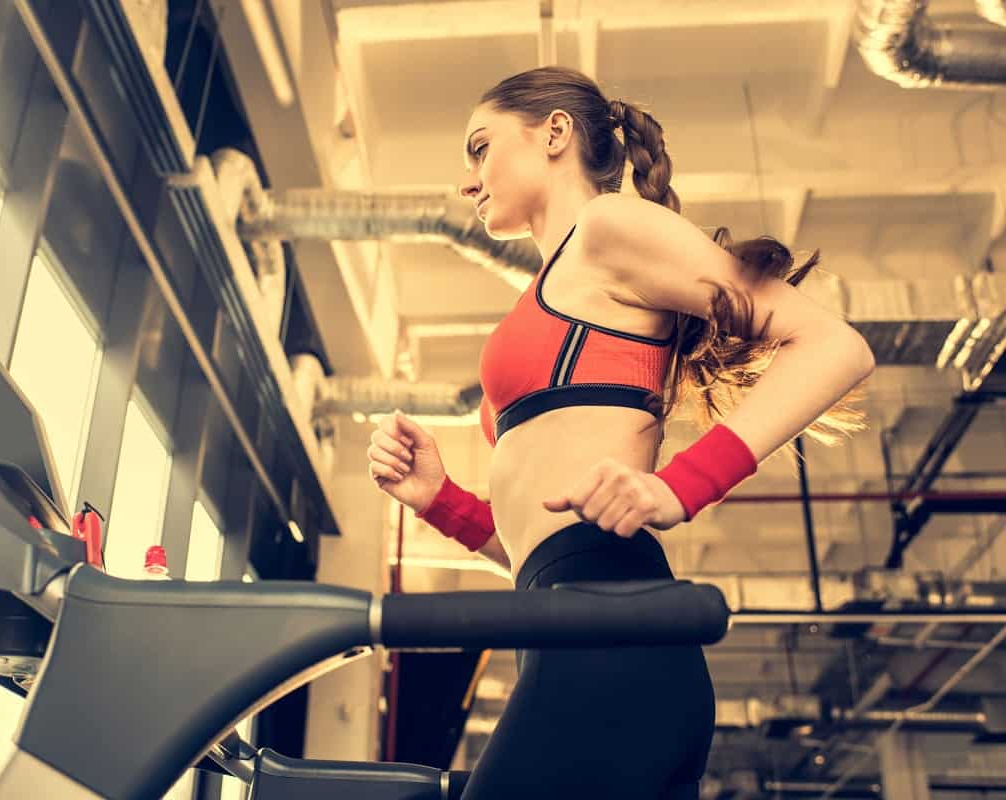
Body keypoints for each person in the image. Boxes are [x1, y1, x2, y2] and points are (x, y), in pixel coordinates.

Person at [367, 65, 874, 798]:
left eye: (480, 148)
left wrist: (679, 487)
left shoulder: (608, 228)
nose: (468, 180)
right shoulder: (556, 284)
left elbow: (835, 346)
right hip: (574, 631)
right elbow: (536, 547)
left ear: (555, 132)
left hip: (610, 641)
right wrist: (442, 500)